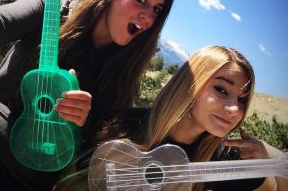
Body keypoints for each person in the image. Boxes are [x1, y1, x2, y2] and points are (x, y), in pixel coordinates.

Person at [0, 0, 175, 190]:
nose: (148, 16)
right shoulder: (52, 9)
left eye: (157, 9)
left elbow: (95, 149)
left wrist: (82, 123)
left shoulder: (124, 78)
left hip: (27, 178)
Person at [54, 45, 286, 191]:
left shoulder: (224, 161)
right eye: (222, 90)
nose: (235, 110)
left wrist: (261, 168)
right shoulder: (120, 125)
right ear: (189, 85)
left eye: (243, 100)